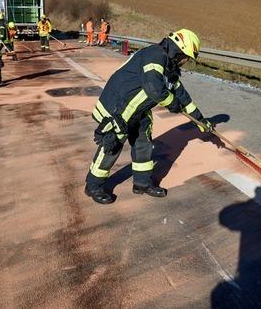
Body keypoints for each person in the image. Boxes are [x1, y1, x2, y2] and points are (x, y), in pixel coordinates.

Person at [84, 29, 214, 204]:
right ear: (179, 51)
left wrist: (201, 120)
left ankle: (142, 183)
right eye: (186, 57)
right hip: (118, 108)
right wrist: (172, 103)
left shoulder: (170, 67)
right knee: (112, 146)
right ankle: (93, 185)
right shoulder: (154, 55)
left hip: (138, 111)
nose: (186, 62)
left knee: (143, 145)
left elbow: (183, 97)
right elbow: (153, 89)